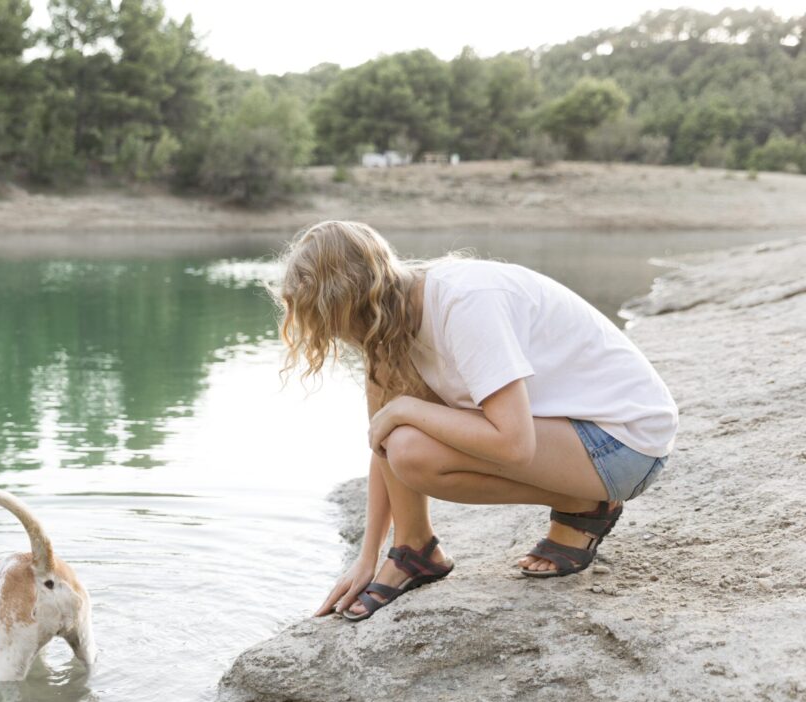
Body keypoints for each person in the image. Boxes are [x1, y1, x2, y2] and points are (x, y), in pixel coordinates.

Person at [271, 221, 677, 621]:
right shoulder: (389, 321)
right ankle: (415, 551)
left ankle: (584, 505)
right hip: (570, 432)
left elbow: (514, 445)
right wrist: (367, 557)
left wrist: (406, 409)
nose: (342, 339)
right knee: (401, 442)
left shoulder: (465, 303)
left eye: (335, 325)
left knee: (409, 441)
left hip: (624, 444)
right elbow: (381, 443)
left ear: (359, 303)